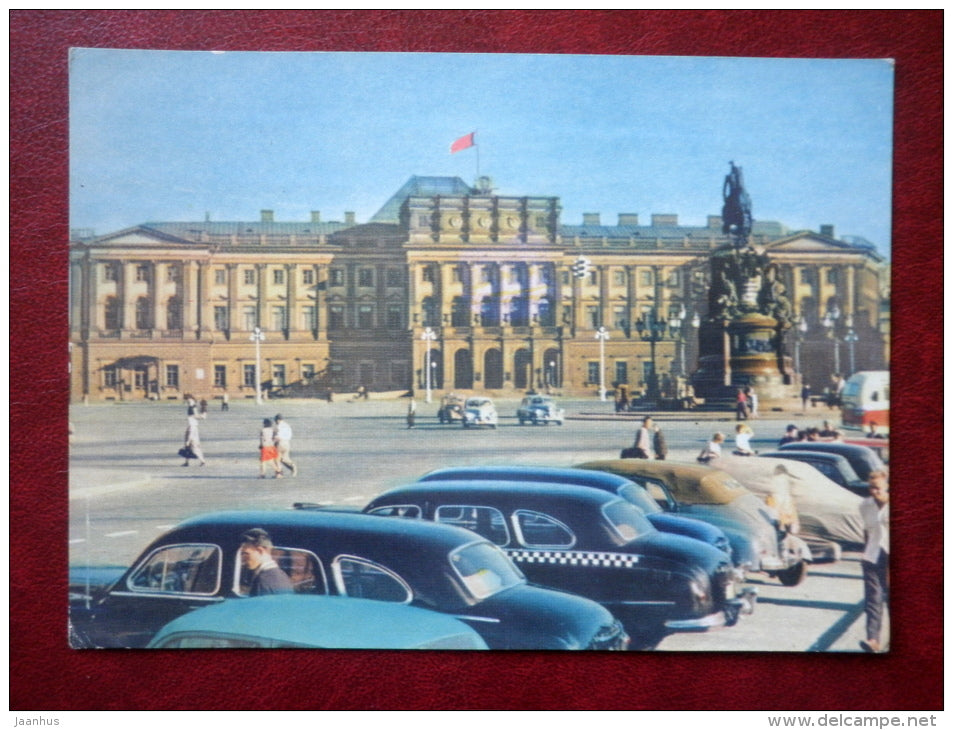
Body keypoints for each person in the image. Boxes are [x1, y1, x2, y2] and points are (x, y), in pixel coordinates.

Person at [859, 470, 890, 653]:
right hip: (872, 555)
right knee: (873, 599)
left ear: (887, 486)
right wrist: (864, 552)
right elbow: (867, 530)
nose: (874, 491)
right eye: (871, 488)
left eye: (877, 488)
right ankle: (873, 640)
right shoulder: (865, 505)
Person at [239, 528, 294, 596]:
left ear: (260, 551)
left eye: (245, 554)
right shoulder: (280, 575)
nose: (243, 559)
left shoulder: (264, 580)